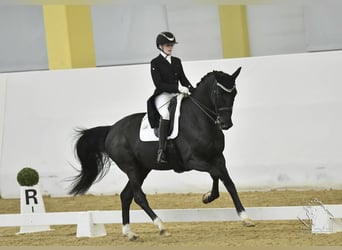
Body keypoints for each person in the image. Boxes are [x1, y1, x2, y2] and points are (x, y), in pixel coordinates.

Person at [147, 31, 194, 164]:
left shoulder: (177, 61)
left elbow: (184, 79)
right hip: (162, 95)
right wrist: (177, 88)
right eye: (168, 45)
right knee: (166, 114)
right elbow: (159, 84)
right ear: (160, 46)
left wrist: (193, 90)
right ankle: (161, 150)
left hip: (176, 94)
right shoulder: (155, 62)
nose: (170, 47)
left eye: (172, 45)